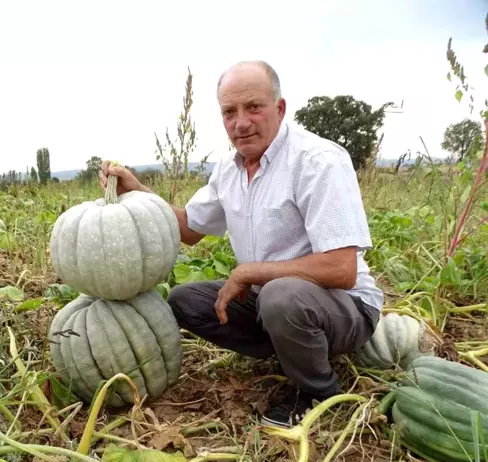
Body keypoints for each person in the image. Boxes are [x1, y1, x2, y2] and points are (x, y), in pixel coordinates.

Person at [99, 60, 383, 427]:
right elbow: (189, 228)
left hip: (347, 307)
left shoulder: (317, 161)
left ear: (279, 109)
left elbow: (341, 270)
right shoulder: (230, 169)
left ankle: (318, 391)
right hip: (274, 300)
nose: (241, 122)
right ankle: (291, 349)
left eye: (254, 107)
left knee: (279, 296)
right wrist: (137, 192)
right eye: (229, 112)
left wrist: (252, 271)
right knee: (185, 301)